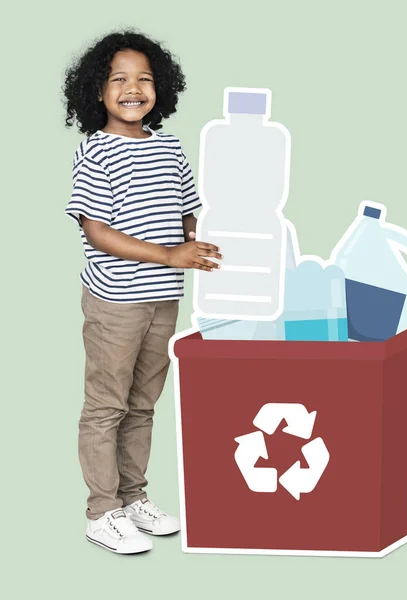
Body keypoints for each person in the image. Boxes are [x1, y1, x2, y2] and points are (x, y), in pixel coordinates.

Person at [62, 28, 222, 554]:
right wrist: (173, 254)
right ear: (97, 91)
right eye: (119, 79)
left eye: (145, 79)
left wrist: (198, 242)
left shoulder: (170, 147)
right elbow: (97, 232)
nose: (134, 89)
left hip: (163, 299)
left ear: (162, 88)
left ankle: (132, 499)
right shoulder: (97, 153)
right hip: (116, 301)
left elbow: (186, 213)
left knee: (143, 404)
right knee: (106, 405)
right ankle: (101, 511)